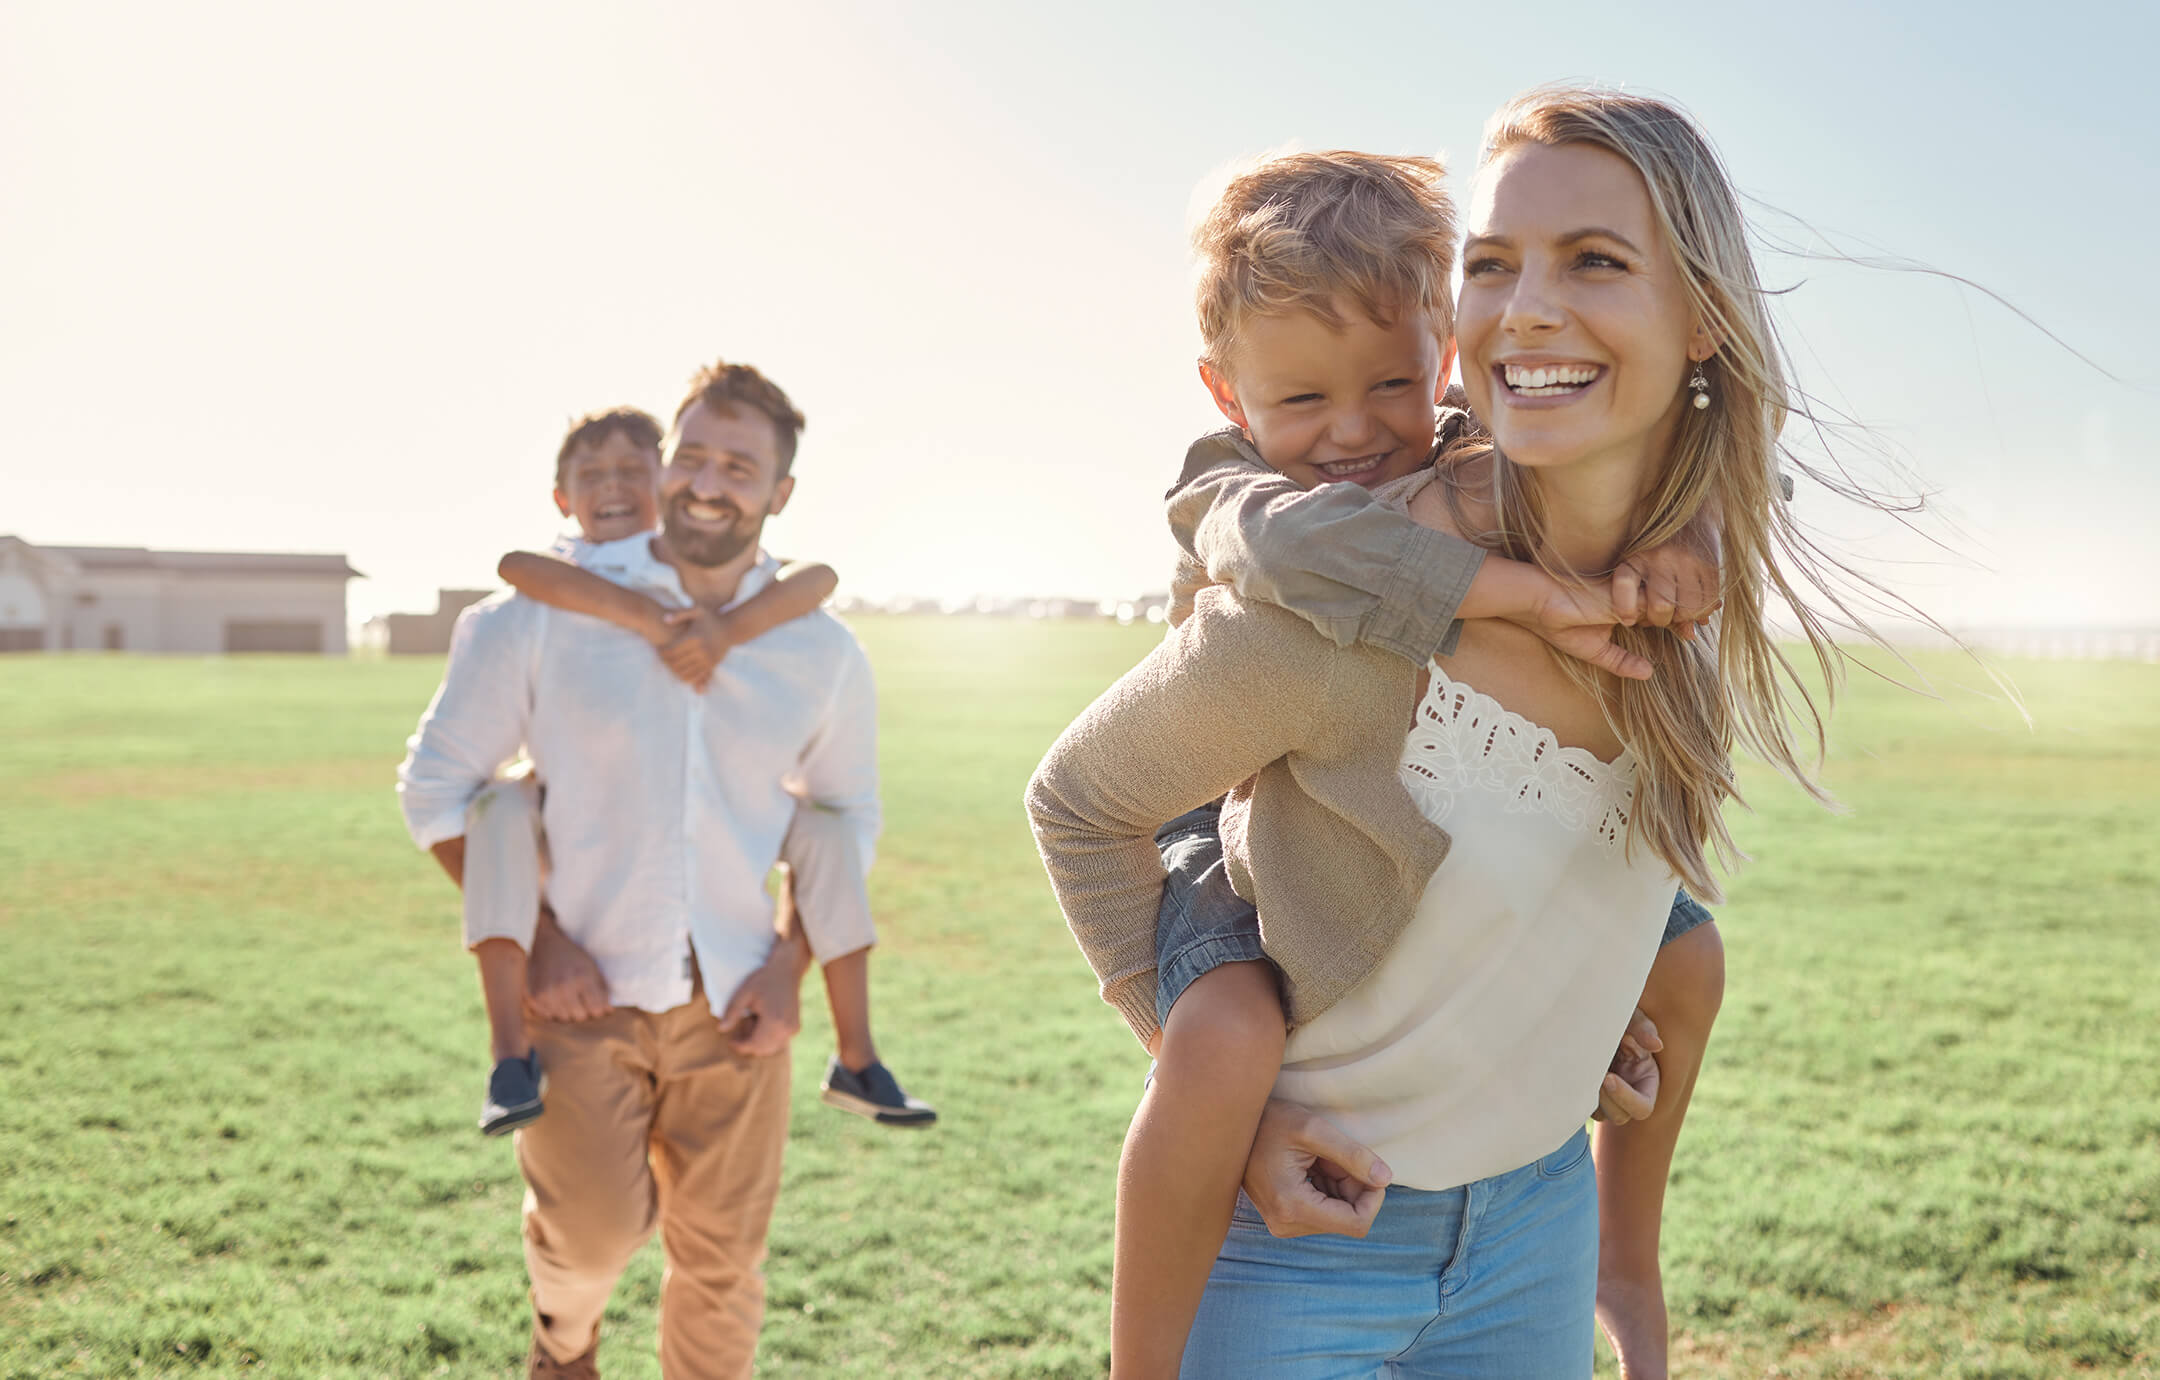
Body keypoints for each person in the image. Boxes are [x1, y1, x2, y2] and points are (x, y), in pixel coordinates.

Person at [1032, 86, 1895, 1377]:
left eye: (1594, 261)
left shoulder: (1686, 571)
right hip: (1310, 1228)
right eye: (1499, 264)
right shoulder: (1325, 591)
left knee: (1687, 955)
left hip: (1536, 1222)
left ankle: (1626, 1255)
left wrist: (1546, 1016)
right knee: (1223, 1040)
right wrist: (1227, 1101)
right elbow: (1087, 789)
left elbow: (1710, 469)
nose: (1532, 307)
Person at [398, 358, 880, 1377]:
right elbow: (436, 792)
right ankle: (561, 1337)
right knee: (591, 1240)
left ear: (779, 493)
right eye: (692, 454)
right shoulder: (541, 616)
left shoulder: (820, 652)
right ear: (664, 465)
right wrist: (539, 943)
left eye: (739, 465)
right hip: (583, 1002)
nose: (710, 481)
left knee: (723, 1268)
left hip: (739, 1004)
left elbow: (845, 820)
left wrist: (791, 970)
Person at [454, 403, 932, 1135]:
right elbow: (516, 567)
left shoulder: (715, 579)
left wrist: (725, 632)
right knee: (500, 808)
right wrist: (650, 623)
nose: (613, 490)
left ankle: (859, 1055)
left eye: (632, 473)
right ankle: (507, 1056)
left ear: (662, 487)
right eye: (591, 476)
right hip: (576, 859)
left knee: (831, 829)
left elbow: (820, 577)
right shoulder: (571, 576)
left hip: (722, 943)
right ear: (564, 498)